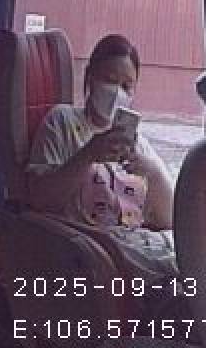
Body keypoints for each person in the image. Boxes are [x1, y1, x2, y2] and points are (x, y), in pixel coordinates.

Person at [25, 34, 178, 285]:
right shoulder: (62, 121)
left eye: (126, 86)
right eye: (110, 80)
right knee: (178, 268)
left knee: (192, 249)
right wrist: (88, 154)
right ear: (90, 77)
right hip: (91, 247)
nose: (117, 93)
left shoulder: (134, 140)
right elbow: (40, 198)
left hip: (133, 239)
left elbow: (168, 219)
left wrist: (151, 172)